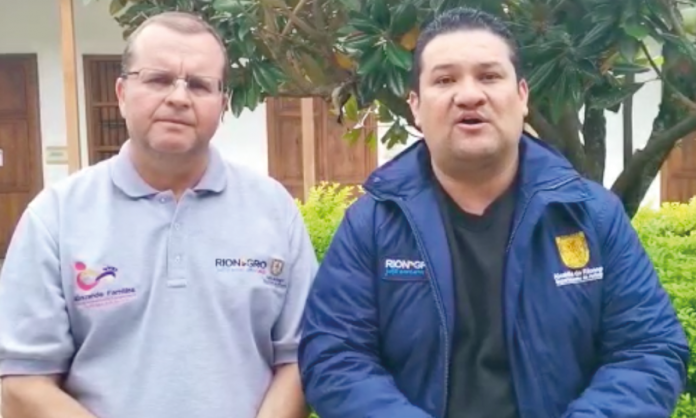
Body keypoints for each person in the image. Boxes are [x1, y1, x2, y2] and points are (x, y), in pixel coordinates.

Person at [298, 6, 689, 418]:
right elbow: (334, 357)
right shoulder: (374, 223)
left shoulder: (591, 215)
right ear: (415, 106)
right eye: (445, 80)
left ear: (522, 96)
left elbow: (649, 349)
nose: (469, 95)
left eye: (488, 76)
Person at [0, 11, 316, 418]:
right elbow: (22, 383)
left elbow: (300, 358)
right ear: (122, 93)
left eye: (199, 85)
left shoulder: (273, 210)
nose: (179, 98)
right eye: (158, 79)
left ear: (222, 104)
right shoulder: (56, 219)